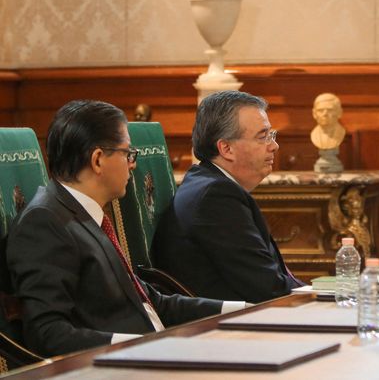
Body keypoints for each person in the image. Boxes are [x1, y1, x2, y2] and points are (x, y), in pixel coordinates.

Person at [5, 100, 242, 357]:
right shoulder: (44, 223)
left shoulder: (86, 214)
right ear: (97, 160)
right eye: (127, 153)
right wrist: (143, 347)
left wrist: (242, 310)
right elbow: (48, 333)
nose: (133, 164)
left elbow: (151, 302)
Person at [152, 90, 302, 303]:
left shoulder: (208, 183)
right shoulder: (215, 197)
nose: (274, 146)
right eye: (263, 137)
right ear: (226, 148)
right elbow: (268, 288)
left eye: (272, 135)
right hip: (229, 328)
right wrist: (322, 295)